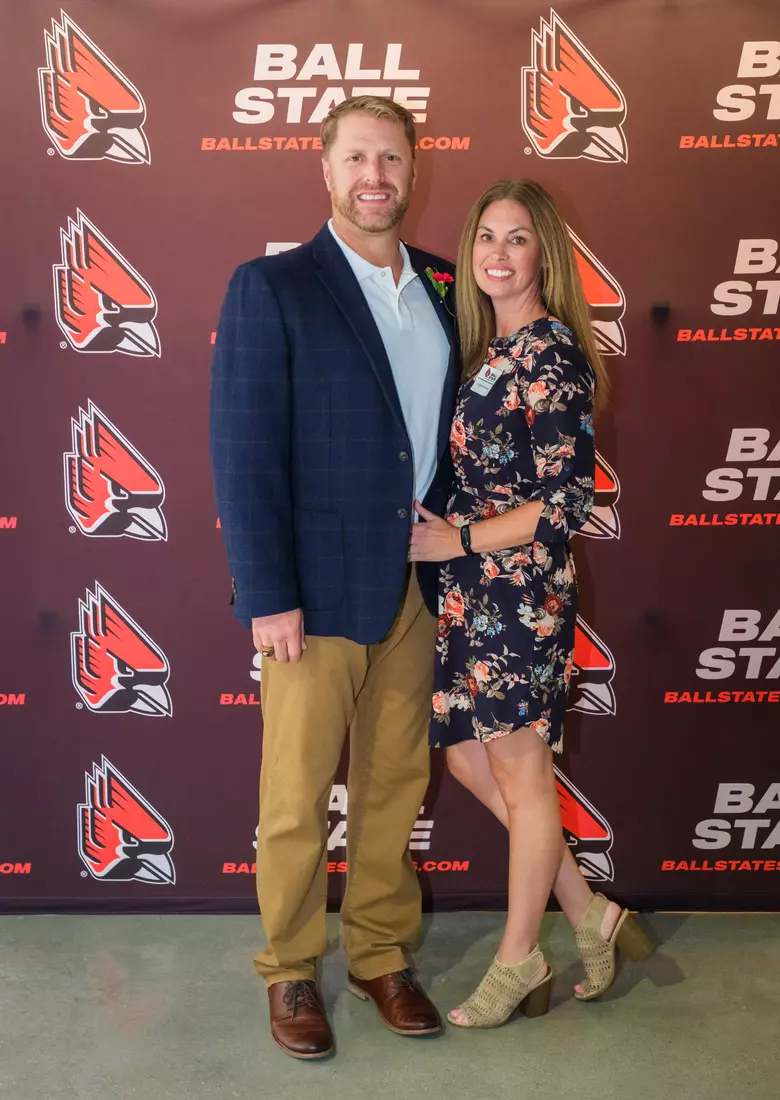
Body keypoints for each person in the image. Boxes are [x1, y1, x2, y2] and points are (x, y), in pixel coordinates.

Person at [210, 96, 459, 1059]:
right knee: (297, 794)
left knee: (396, 784)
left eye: (390, 158)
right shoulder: (271, 286)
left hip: (417, 589)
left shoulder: (446, 286)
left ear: (413, 168)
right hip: (311, 598)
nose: (374, 177)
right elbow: (244, 452)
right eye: (356, 157)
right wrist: (267, 592)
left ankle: (380, 955)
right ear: (325, 169)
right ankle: (289, 967)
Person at [409, 179, 651, 1029]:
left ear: (545, 255)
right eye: (487, 237)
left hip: (519, 592)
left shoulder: (550, 354)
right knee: (471, 763)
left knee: (520, 772)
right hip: (474, 594)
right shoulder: (491, 350)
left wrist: (461, 541)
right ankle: (589, 910)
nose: (498, 254)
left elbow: (567, 500)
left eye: (517, 238)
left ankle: (519, 959)